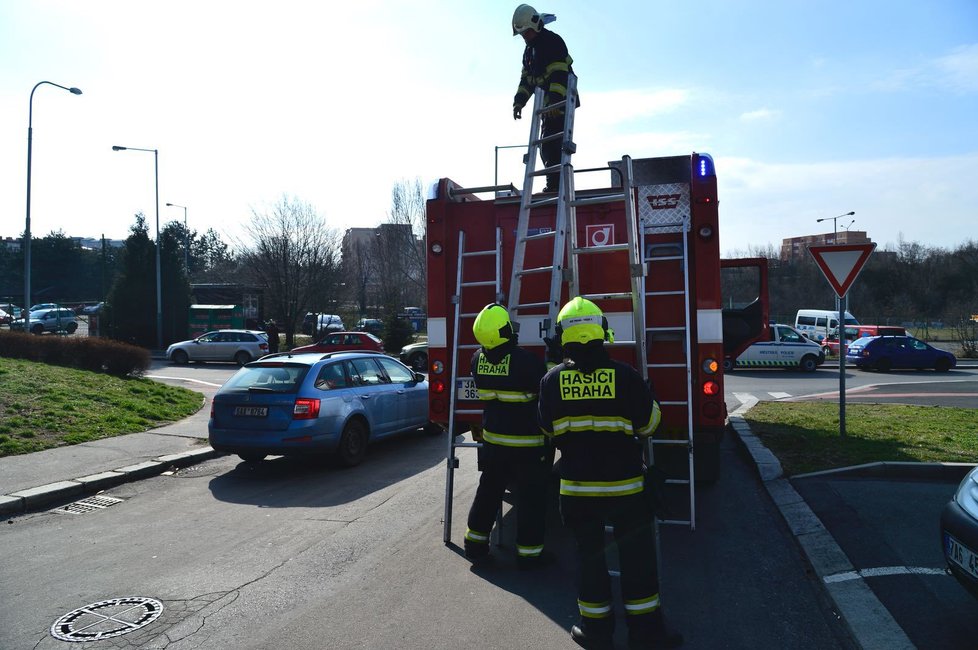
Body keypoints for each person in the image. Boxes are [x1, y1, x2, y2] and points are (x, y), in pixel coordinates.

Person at [537, 297, 682, 649]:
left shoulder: (551, 381)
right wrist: (652, 399)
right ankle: (646, 633)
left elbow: (548, 431)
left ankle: (596, 631)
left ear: (563, 338)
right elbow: (648, 427)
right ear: (602, 332)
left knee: (589, 561)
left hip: (576, 492)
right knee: (637, 563)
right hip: (627, 492)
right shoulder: (626, 376)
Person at [464, 303, 552, 569]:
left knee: (488, 492)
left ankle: (475, 545)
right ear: (504, 331)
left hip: (493, 443)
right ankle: (529, 555)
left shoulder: (476, 359)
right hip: (527, 445)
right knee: (531, 499)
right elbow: (549, 383)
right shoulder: (524, 361)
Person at [511, 4, 579, 193]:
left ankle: (556, 186)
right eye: (522, 34)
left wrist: (556, 103)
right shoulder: (529, 52)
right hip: (548, 105)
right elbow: (527, 80)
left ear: (536, 25)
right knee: (546, 145)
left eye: (527, 33)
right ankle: (554, 184)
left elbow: (559, 74)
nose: (525, 37)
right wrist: (519, 102)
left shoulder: (552, 42)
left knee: (553, 145)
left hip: (562, 101)